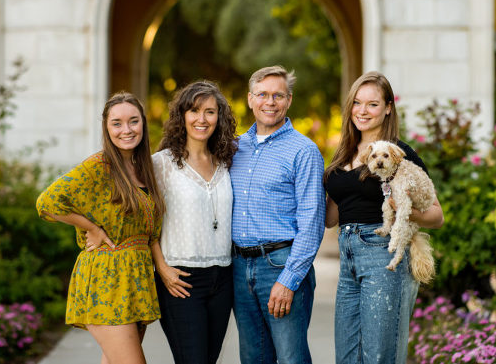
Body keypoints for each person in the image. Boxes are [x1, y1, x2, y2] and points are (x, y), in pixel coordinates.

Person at [324, 71, 444, 364]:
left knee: (380, 356)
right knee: (347, 357)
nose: (362, 111)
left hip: (383, 253)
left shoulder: (398, 154)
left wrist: (404, 210)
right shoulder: (344, 153)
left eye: (373, 104)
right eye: (357, 103)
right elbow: (330, 219)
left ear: (388, 107)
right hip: (348, 252)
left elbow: (437, 215)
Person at [36, 91, 165, 364]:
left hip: (135, 282)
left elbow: (151, 231)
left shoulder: (144, 168)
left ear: (143, 123)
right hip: (105, 280)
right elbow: (47, 203)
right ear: (107, 128)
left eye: (133, 121)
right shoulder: (99, 166)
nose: (126, 130)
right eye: (117, 123)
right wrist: (91, 227)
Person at [230, 65, 326, 364]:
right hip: (238, 267)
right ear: (250, 99)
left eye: (278, 95)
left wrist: (289, 279)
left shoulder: (304, 151)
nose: (269, 102)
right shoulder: (234, 147)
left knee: (290, 358)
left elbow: (312, 221)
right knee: (253, 357)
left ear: (289, 100)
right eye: (262, 95)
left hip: (280, 265)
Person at [149, 81, 238, 364]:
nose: (202, 119)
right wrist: (161, 268)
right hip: (180, 279)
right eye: (194, 111)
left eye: (210, 112)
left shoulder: (226, 161)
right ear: (182, 116)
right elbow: (144, 221)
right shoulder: (160, 164)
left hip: (223, 278)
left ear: (219, 117)